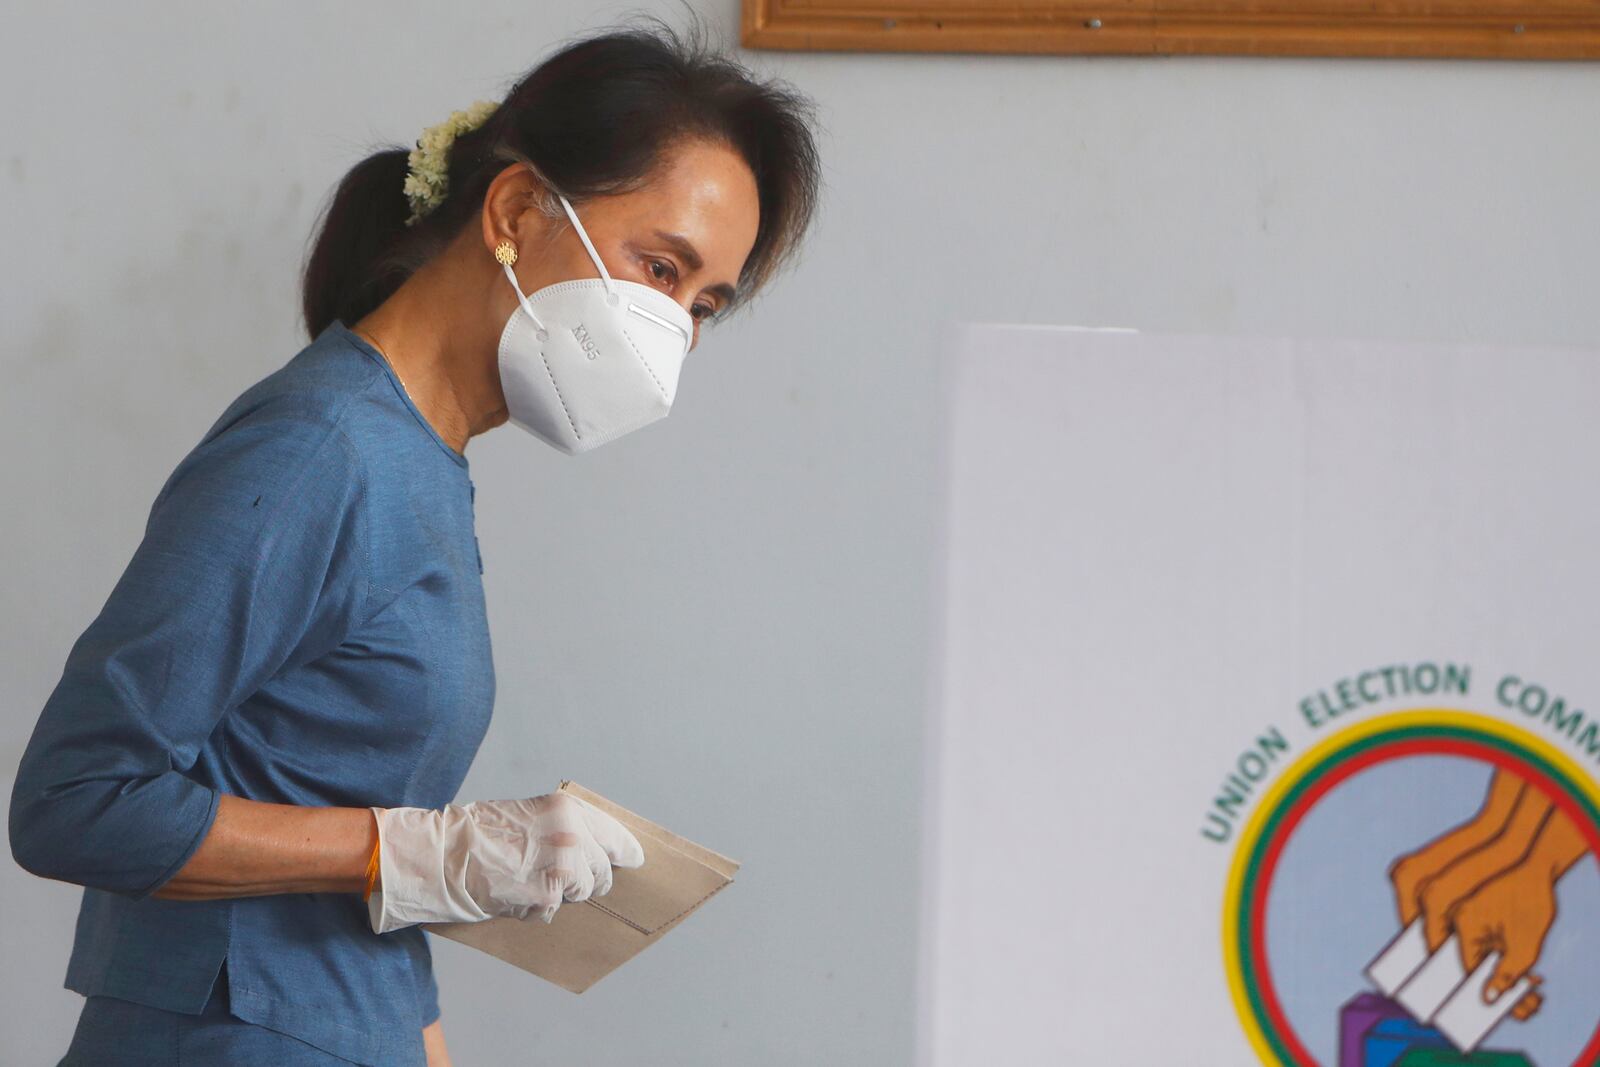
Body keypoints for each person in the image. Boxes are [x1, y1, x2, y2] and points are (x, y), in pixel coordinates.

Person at [8, 15, 821, 1066]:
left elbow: (364, 855)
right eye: (660, 269)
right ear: (518, 209)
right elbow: (76, 799)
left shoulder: (419, 462)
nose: (679, 330)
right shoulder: (320, 450)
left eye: (707, 302)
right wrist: (421, 848)